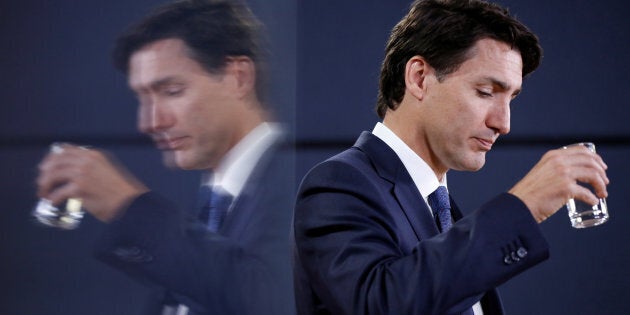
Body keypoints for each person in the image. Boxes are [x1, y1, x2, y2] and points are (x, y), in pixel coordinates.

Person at [292, 0, 609, 314]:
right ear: (419, 78)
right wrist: (524, 207)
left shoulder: (441, 210)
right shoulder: (337, 185)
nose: (504, 123)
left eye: (511, 98)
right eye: (486, 92)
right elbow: (381, 304)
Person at [35, 0, 295, 314]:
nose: (150, 123)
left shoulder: (305, 181)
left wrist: (128, 206)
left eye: (171, 91)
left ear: (238, 77)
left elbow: (274, 301)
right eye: (142, 98)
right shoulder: (217, 200)